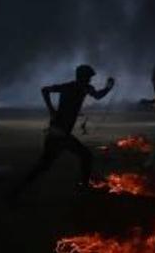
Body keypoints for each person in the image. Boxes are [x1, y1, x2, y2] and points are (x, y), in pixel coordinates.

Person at [11, 64, 114, 196]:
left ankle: (16, 191)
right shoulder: (78, 87)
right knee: (85, 156)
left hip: (59, 131)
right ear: (82, 76)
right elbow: (98, 95)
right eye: (88, 77)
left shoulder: (74, 87)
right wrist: (109, 87)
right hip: (60, 133)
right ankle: (83, 188)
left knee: (45, 165)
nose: (90, 80)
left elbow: (45, 90)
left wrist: (51, 110)